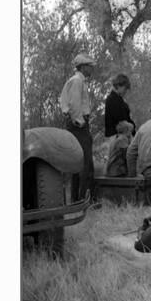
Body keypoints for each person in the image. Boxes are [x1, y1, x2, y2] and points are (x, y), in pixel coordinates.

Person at [59, 53, 96, 200]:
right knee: (85, 162)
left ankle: (76, 198)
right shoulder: (77, 81)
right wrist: (80, 122)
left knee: (77, 162)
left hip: (77, 124)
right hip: (79, 126)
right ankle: (83, 199)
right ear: (83, 67)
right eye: (89, 66)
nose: (91, 69)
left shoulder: (78, 81)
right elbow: (74, 104)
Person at [104, 73, 135, 138]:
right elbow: (120, 121)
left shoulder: (120, 100)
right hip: (116, 137)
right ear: (118, 85)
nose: (126, 91)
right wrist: (131, 126)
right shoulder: (112, 100)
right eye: (125, 88)